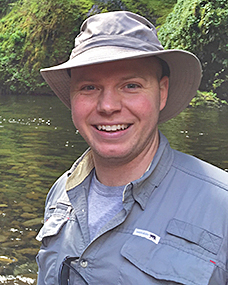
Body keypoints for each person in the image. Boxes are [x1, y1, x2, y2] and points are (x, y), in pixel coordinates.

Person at [36, 11, 228, 285]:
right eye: (89, 87)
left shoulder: (222, 207)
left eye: (131, 85)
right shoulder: (60, 194)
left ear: (162, 92)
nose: (108, 106)